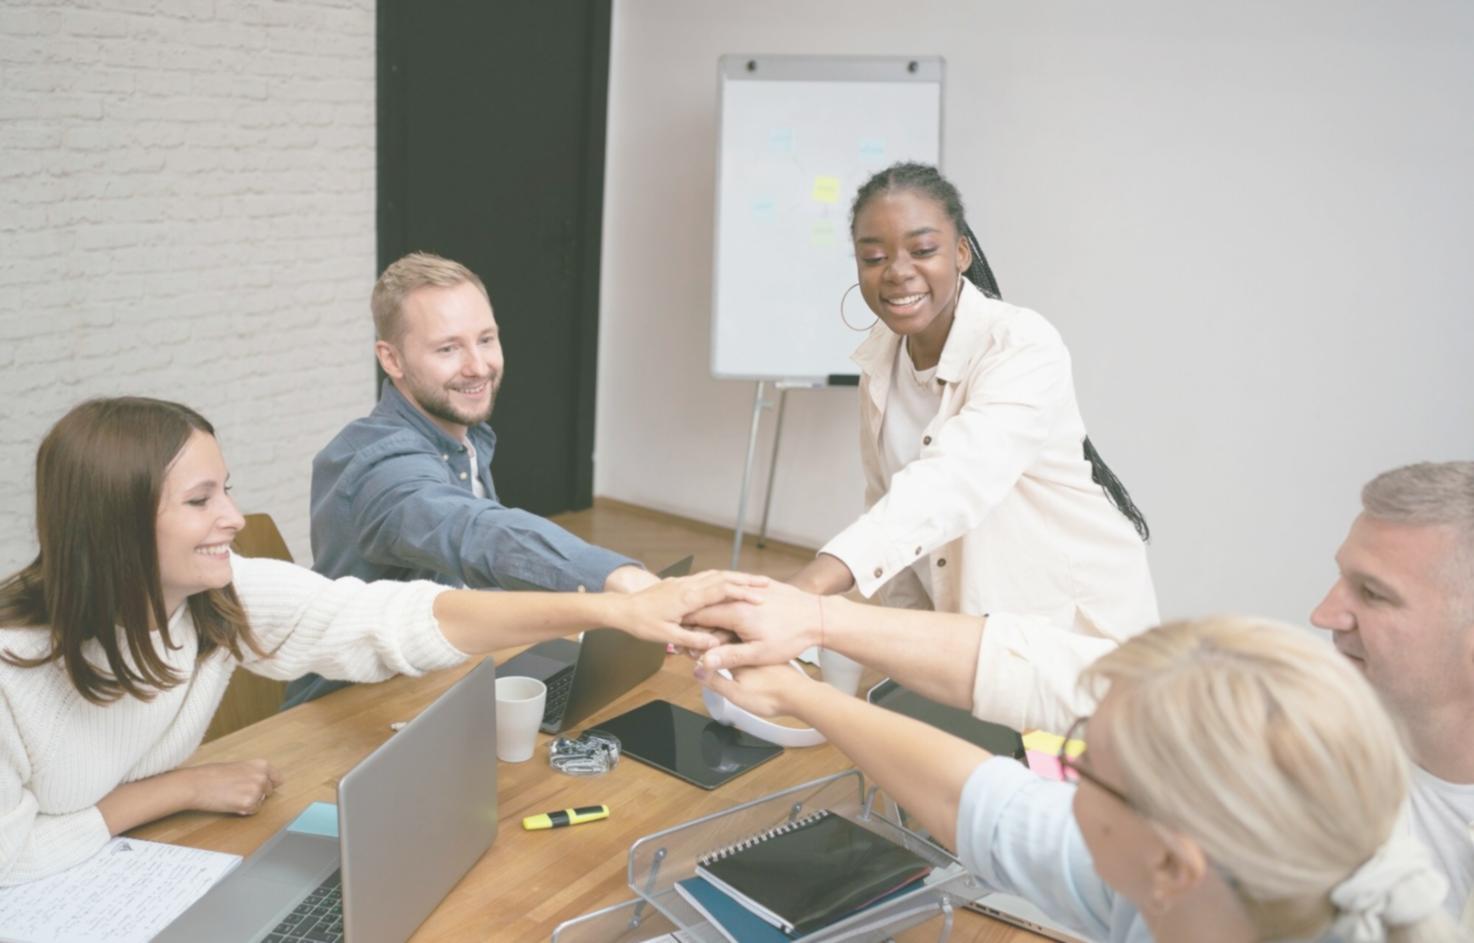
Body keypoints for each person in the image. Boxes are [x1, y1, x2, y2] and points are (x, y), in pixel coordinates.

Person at [0, 397, 758, 885]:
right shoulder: (14, 672)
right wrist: (180, 788)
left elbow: (403, 620)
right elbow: (13, 859)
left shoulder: (218, 600)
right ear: (116, 525)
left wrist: (603, 610)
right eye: (202, 500)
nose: (232, 516)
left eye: (226, 488)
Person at [693, 461, 1474, 923]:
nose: (1324, 611)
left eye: (1372, 593)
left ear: (1176, 861)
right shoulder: (1184, 872)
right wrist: (815, 658)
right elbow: (996, 795)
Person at [699, 617, 1460, 943]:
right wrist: (808, 696)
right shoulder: (1207, 886)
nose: (1058, 769)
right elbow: (984, 801)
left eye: (1085, 760)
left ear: (1172, 863)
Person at [791, 162, 1157, 650]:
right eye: (874, 257)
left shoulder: (1022, 344)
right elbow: (888, 506)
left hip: (1071, 631)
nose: (898, 272)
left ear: (961, 252)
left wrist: (808, 586)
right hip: (978, 639)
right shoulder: (881, 357)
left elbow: (951, 483)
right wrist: (908, 652)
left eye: (923, 250)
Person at [285, 251, 655, 707]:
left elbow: (474, 581)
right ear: (392, 359)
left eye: (486, 339)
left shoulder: (464, 437)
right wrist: (615, 580)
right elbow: (470, 530)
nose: (478, 366)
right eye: (448, 348)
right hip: (353, 709)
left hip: (443, 680)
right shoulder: (377, 464)